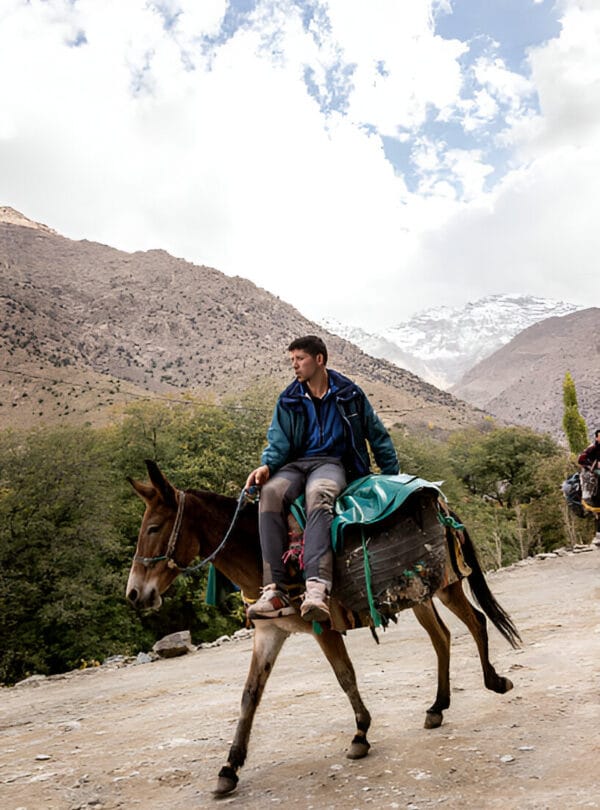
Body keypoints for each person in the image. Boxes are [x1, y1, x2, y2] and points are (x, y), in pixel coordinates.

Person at [245, 335, 399, 623]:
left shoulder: (350, 394)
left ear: (319, 359)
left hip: (333, 463)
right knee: (270, 493)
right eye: (292, 360)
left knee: (319, 494)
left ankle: (316, 588)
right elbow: (278, 442)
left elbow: (377, 435)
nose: (295, 365)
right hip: (296, 465)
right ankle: (274, 589)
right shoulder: (289, 398)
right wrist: (266, 466)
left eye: (300, 359)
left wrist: (390, 479)